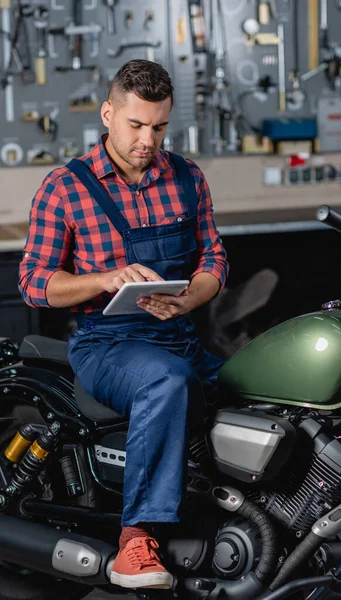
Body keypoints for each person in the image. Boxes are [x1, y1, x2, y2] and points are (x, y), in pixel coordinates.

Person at [18, 59, 228, 590]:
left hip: (178, 335)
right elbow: (34, 282)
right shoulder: (65, 188)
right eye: (136, 125)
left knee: (260, 392)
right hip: (106, 345)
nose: (148, 140)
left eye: (159, 127)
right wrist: (104, 278)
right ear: (108, 115)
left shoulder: (186, 178)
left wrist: (189, 297)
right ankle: (136, 540)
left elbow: (215, 262)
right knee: (167, 381)